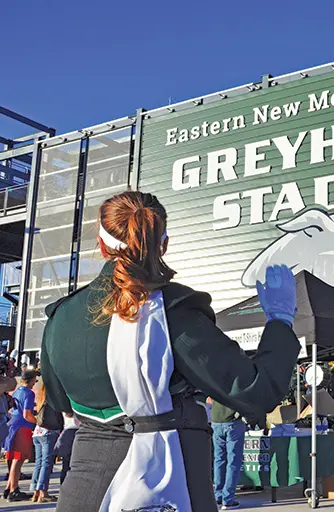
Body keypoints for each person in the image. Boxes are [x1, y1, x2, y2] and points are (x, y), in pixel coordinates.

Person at [39, 191, 300, 512]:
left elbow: (60, 403)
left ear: (102, 243)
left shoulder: (60, 316)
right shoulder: (173, 310)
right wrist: (280, 319)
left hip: (82, 494)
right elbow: (256, 392)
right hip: (167, 487)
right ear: (162, 243)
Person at [3, 369, 36, 502]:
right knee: (19, 459)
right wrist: (39, 422)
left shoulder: (17, 391)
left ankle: (9, 486)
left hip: (12, 424)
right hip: (22, 426)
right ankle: (14, 490)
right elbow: (27, 414)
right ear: (32, 380)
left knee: (13, 458)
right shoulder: (29, 393)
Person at [210, 399, 247, 509]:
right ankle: (228, 499)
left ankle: (219, 495)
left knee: (219, 460)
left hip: (216, 420)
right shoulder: (237, 381)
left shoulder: (215, 381)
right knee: (233, 461)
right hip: (233, 421)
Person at [31, 382, 63, 503]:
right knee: (47, 463)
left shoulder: (40, 396)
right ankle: (43, 492)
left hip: (38, 432)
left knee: (39, 462)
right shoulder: (53, 398)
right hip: (49, 432)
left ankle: (35, 491)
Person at [54, 413, 79, 485]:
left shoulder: (64, 407)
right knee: (71, 463)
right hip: (75, 431)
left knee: (66, 463)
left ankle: (63, 485)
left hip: (67, 431)